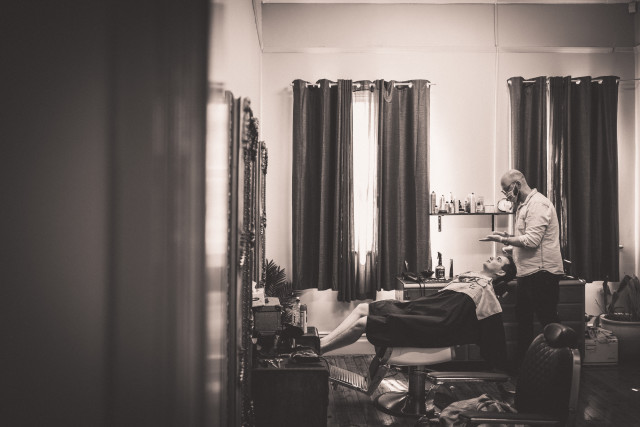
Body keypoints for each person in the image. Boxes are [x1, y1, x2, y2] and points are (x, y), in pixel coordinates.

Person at [320, 255, 517, 370]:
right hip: (423, 309)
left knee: (363, 323)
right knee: (363, 308)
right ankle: (318, 345)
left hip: (435, 322)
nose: (492, 257)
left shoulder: (486, 290)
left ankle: (319, 352)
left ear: (501, 272)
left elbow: (492, 328)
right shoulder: (468, 276)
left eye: (498, 259)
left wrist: (498, 366)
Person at [482, 169, 564, 363]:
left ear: (517, 185)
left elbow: (532, 241)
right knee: (523, 321)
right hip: (528, 273)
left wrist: (504, 239)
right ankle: (523, 366)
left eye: (506, 189)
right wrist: (509, 239)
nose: (506, 195)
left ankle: (563, 364)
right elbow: (526, 238)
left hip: (542, 273)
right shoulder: (524, 206)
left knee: (548, 322)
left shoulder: (538, 204)